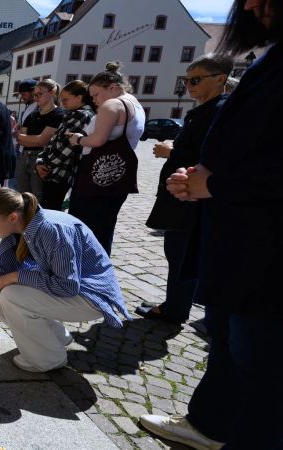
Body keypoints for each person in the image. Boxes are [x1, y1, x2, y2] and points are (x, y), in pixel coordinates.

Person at [138, 1, 283, 447]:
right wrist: (200, 178)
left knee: (261, 370)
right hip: (238, 240)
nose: (253, 6)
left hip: (267, 251)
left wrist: (216, 182)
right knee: (226, 341)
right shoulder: (270, 56)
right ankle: (209, 425)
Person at [0, 188, 129, 372]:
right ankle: (56, 337)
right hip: (74, 289)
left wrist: (17, 276)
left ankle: (49, 359)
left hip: (91, 295)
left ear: (12, 217)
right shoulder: (17, 229)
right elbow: (0, 272)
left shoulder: (50, 229)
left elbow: (68, 286)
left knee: (11, 296)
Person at [137, 54, 232, 325]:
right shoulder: (206, 110)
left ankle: (175, 310)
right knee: (177, 253)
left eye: (196, 79)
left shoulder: (218, 112)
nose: (189, 85)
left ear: (220, 79)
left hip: (193, 198)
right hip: (183, 196)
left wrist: (172, 152)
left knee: (181, 254)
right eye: (186, 80)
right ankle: (175, 304)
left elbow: (210, 155)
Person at [66, 62, 145, 255]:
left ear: (112, 87)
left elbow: (98, 140)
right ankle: (99, 272)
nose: (94, 100)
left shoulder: (113, 104)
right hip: (116, 174)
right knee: (104, 226)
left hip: (95, 174)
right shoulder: (135, 103)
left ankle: (85, 272)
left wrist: (78, 139)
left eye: (95, 94)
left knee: (84, 226)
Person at [35, 80, 96, 210]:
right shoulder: (71, 114)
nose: (62, 103)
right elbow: (53, 142)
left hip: (61, 174)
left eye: (66, 100)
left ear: (79, 98)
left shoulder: (81, 115)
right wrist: (40, 161)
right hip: (54, 172)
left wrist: (45, 165)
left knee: (51, 211)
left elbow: (66, 147)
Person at [17, 79, 66, 201]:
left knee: (37, 196)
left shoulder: (58, 114)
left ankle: (38, 220)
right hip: (25, 156)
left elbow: (42, 140)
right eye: (35, 94)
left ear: (52, 92)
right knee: (23, 196)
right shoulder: (32, 115)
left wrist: (26, 138)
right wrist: (27, 138)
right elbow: (21, 139)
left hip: (41, 158)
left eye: (40, 94)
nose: (36, 97)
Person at [11, 80, 39, 189]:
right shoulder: (29, 107)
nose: (22, 97)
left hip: (31, 153)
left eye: (24, 94)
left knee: (30, 188)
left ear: (33, 92)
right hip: (22, 151)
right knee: (21, 186)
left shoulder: (38, 107)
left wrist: (19, 131)